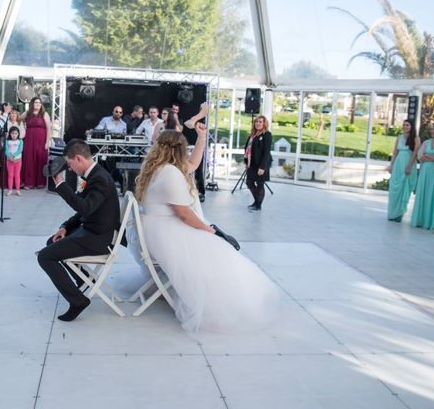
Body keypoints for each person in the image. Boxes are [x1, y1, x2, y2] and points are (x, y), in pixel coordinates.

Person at [134, 127, 279, 332]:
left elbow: (192, 164)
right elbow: (183, 213)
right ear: (180, 149)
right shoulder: (170, 174)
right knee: (217, 247)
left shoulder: (159, 167)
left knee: (211, 239)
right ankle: (224, 300)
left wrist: (202, 137)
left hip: (155, 226)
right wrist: (206, 229)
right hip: (164, 230)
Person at [37, 139, 120, 322]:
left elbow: (85, 208)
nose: (70, 168)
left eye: (70, 164)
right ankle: (82, 280)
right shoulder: (95, 175)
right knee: (52, 242)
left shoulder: (99, 178)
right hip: (92, 231)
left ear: (79, 159)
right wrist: (65, 227)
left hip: (99, 238)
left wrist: (60, 185)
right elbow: (84, 209)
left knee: (44, 256)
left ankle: (78, 301)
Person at [411, 122, 434, 230]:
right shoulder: (426, 142)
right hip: (425, 171)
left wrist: (432, 157)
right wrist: (432, 157)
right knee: (423, 193)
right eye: (432, 129)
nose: (432, 131)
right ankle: (420, 220)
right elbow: (420, 156)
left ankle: (430, 222)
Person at [387, 119, 420, 222]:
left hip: (408, 164)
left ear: (412, 127)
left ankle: (399, 213)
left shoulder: (416, 138)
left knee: (404, 188)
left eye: (407, 125)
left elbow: (415, 154)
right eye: (404, 125)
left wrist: (409, 166)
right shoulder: (399, 137)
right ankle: (392, 213)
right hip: (398, 165)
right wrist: (391, 165)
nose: (405, 127)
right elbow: (395, 153)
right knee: (394, 189)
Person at [244, 115, 272, 212]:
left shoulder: (267, 135)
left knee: (260, 184)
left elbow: (266, 152)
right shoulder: (253, 135)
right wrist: (246, 162)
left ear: (264, 124)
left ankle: (258, 205)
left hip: (262, 164)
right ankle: (257, 201)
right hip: (252, 164)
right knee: (249, 182)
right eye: (256, 121)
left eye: (260, 122)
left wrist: (262, 167)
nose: (258, 123)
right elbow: (247, 149)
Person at [21, 97, 51, 189]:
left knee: (40, 159)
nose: (38, 104)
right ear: (32, 104)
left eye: (39, 103)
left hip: (41, 141)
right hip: (29, 140)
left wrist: (47, 142)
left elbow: (48, 129)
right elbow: (19, 120)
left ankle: (40, 183)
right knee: (29, 160)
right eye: (36, 102)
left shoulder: (44, 114)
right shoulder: (27, 113)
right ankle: (29, 182)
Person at [5, 126, 23, 196]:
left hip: (18, 161)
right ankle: (10, 190)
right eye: (12, 133)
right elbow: (6, 150)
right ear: (10, 134)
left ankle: (18, 190)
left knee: (17, 175)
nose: (14, 135)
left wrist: (13, 156)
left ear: (18, 134)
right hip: (9, 161)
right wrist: (9, 157)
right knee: (10, 175)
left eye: (16, 133)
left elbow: (20, 150)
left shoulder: (20, 141)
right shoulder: (7, 141)